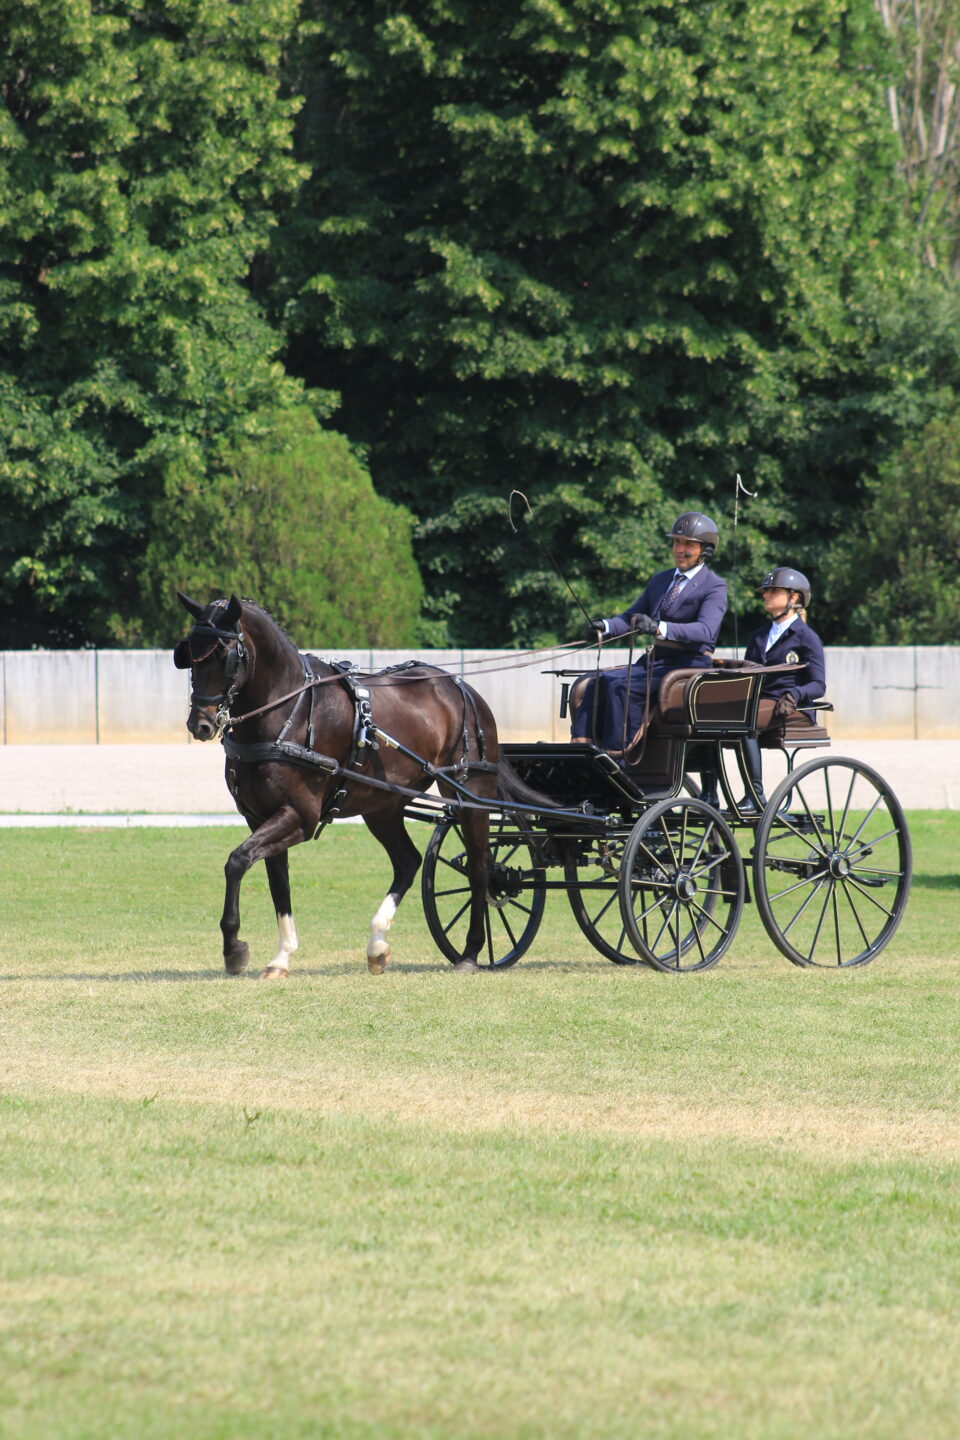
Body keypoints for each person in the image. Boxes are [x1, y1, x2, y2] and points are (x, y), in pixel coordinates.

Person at [570, 512, 727, 779]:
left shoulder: (714, 586)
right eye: (677, 543)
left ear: (705, 550)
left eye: (688, 545)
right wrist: (605, 627)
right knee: (596, 683)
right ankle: (583, 753)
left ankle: (617, 758)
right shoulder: (661, 580)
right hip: (656, 663)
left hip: (687, 665)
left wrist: (658, 627)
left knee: (621, 686)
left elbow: (705, 630)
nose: (680, 550)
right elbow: (631, 618)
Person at [737, 566, 826, 813]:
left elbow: (818, 684)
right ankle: (710, 794)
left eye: (773, 591)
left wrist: (795, 694)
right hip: (759, 703)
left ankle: (754, 796)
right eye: (766, 591)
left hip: (788, 705)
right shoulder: (758, 636)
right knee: (712, 724)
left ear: (793, 598)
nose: (766, 595)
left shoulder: (806, 637)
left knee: (743, 723)